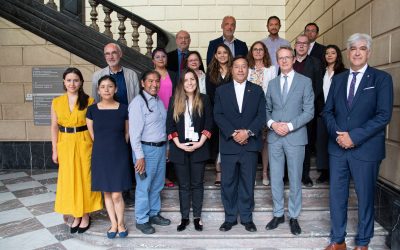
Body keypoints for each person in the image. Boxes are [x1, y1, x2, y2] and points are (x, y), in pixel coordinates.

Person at [323, 33, 393, 250]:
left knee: (365, 196)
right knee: (337, 196)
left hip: (366, 149)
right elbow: (327, 112)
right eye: (353, 48)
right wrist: (339, 135)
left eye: (362, 48)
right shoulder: (338, 78)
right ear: (348, 52)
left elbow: (383, 116)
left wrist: (354, 137)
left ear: (368, 52)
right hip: (338, 148)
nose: (357, 52)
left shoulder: (381, 79)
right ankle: (338, 240)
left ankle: (363, 242)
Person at [265, 46, 314, 236]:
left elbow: (309, 111)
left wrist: (290, 126)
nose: (284, 61)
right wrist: (272, 124)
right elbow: (266, 109)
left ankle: (294, 216)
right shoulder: (272, 84)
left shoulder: (305, 82)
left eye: (287, 57)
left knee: (294, 178)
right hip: (275, 137)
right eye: (281, 58)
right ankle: (278, 214)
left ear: (294, 59)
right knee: (276, 177)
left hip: (295, 136)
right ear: (277, 61)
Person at [214, 56, 266, 233]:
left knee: (247, 182)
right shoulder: (222, 91)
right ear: (231, 69)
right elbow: (218, 115)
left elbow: (261, 116)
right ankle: (230, 218)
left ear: (248, 70)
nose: (241, 70)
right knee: (227, 183)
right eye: (237, 67)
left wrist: (248, 132)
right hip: (229, 145)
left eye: (244, 67)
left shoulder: (257, 90)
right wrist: (233, 133)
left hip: (249, 145)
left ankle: (246, 217)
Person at [51, 67, 102, 234]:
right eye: (69, 80)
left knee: (85, 178)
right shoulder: (57, 102)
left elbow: (95, 126)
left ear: (81, 83)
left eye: (75, 80)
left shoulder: (89, 100)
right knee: (69, 180)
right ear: (64, 82)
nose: (72, 83)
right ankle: (75, 213)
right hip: (64, 143)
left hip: (84, 142)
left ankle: (85, 214)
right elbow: (53, 127)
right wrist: (54, 150)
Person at [92, 42, 140, 206]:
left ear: (120, 55)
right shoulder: (97, 76)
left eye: (114, 53)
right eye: (107, 54)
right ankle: (110, 189)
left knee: (127, 155)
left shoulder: (131, 75)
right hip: (107, 124)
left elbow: (135, 99)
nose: (111, 56)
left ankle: (126, 189)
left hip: (127, 120)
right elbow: (95, 100)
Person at [166, 68, 213, 232]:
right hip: (180, 148)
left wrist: (200, 142)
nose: (190, 82)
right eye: (186, 80)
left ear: (196, 81)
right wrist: (178, 144)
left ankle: (197, 218)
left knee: (197, 184)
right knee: (184, 185)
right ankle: (184, 217)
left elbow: (209, 123)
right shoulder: (174, 100)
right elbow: (169, 125)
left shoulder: (204, 99)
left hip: (199, 147)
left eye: (192, 79)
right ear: (181, 83)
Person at [86, 75, 132, 239]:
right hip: (101, 154)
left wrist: (119, 147)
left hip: (119, 154)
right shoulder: (91, 110)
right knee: (106, 193)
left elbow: (127, 133)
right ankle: (113, 224)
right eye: (103, 86)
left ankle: (121, 223)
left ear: (116, 89)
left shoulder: (124, 108)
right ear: (98, 90)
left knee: (117, 194)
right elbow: (93, 135)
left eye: (110, 86)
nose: (106, 89)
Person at [129, 70, 171, 235]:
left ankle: (154, 214)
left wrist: (167, 148)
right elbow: (134, 134)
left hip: (160, 149)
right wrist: (139, 156)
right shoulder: (138, 103)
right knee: (144, 186)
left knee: (157, 185)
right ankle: (141, 219)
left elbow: (163, 127)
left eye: (157, 81)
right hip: (145, 151)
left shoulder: (159, 101)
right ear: (142, 83)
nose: (155, 84)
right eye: (151, 81)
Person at [293, 34, 323, 187]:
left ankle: (304, 175)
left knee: (305, 144)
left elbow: (318, 87)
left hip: (307, 111)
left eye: (305, 43)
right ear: (295, 45)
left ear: (308, 46)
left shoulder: (316, 63)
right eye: (299, 43)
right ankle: (286, 174)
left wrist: (305, 104)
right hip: (288, 112)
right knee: (288, 143)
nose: (302, 45)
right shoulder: (287, 61)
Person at [315, 45, 346, 184]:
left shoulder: (344, 72)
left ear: (337, 55)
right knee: (321, 142)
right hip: (322, 112)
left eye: (333, 53)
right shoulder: (321, 71)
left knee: (336, 141)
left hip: (338, 113)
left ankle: (337, 170)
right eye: (327, 53)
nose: (329, 55)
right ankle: (324, 171)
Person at [247, 41, 277, 186]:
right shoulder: (247, 69)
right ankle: (251, 172)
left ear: (264, 52)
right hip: (249, 110)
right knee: (252, 139)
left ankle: (265, 172)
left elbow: (273, 90)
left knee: (265, 142)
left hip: (265, 108)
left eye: (260, 49)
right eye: (255, 49)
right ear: (251, 52)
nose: (258, 52)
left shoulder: (271, 69)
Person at [206, 43, 233, 186]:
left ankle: (229, 170)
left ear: (229, 55)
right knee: (217, 143)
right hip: (217, 112)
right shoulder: (210, 72)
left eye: (225, 52)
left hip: (233, 113)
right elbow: (210, 95)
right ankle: (219, 172)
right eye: (219, 53)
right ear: (215, 55)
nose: (222, 55)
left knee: (229, 142)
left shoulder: (234, 70)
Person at [152, 47, 178, 187]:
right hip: (155, 115)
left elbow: (178, 94)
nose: (161, 59)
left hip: (171, 113)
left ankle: (167, 176)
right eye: (158, 57)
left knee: (170, 145)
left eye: (163, 56)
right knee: (158, 144)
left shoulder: (173, 75)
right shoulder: (149, 76)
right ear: (153, 60)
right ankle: (158, 176)